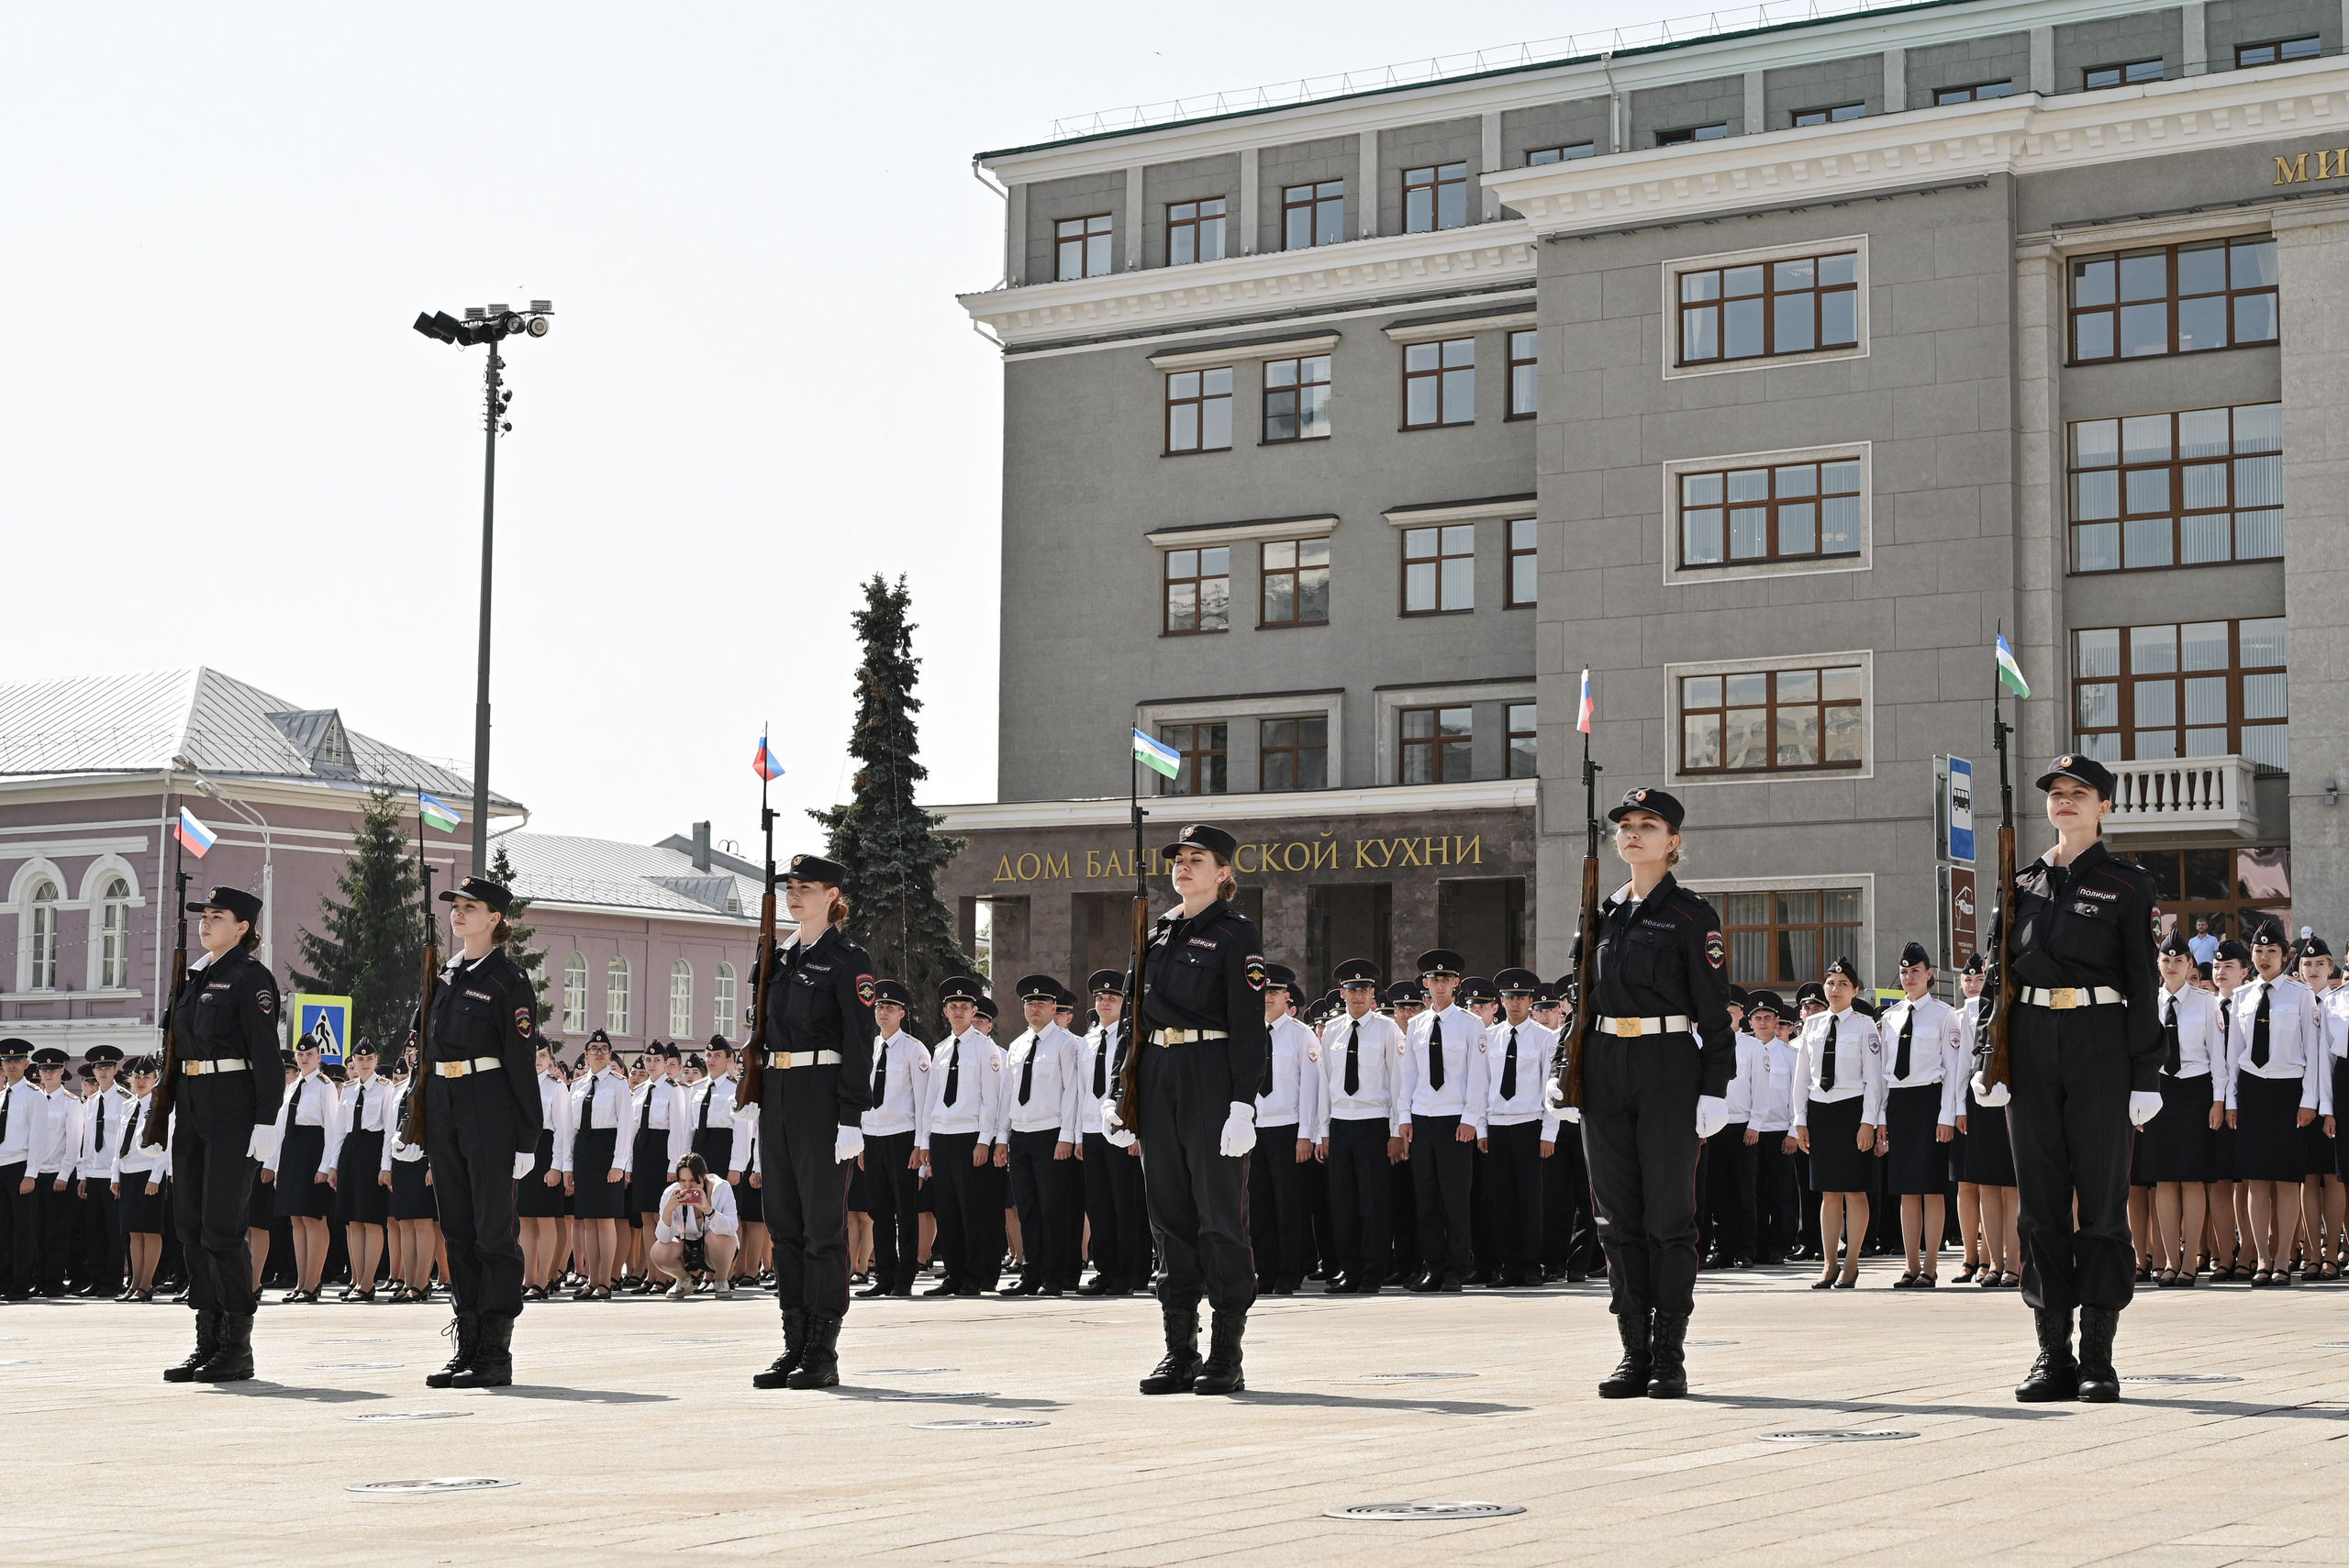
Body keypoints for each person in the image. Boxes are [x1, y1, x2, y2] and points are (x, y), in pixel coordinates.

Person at [1971, 753, 2163, 1403]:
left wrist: (2146, 1071)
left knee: (2103, 1204)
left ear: (2104, 806)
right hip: (2030, 1043)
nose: (2065, 800)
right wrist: (1987, 1057)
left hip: (2099, 1041)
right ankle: (2053, 1354)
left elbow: (2143, 983)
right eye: (2056, 791)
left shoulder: (2128, 885)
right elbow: (1998, 975)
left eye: (2079, 791)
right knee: (2039, 1204)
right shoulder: (2020, 882)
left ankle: (2098, 1358)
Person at [1554, 788, 1734, 1400]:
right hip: (1605, 1066)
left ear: (1672, 841)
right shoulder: (1601, 912)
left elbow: (1714, 1011)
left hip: (1667, 1066)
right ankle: (1633, 1351)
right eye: (1626, 825)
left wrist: (1715, 1087)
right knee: (1615, 1220)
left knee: (1668, 1219)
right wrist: (1565, 1069)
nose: (1633, 833)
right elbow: (1580, 997)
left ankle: (1668, 1356)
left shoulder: (1691, 915)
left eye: (1648, 825)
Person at [1103, 823, 1269, 1396]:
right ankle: (1180, 1351)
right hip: (1157, 1074)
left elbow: (1248, 1025)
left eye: (1197, 858)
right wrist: (1117, 1093)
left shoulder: (1235, 934)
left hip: (1209, 1074)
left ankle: (1225, 1354)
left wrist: (1243, 1103)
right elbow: (1132, 1018)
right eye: (1178, 858)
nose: (1183, 866)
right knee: (1168, 1218)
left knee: (1219, 1218)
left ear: (1223, 872)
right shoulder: (1154, 932)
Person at [747, 853, 877, 1392]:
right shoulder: (778, 956)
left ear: (832, 896)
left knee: (823, 1229)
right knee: (784, 1227)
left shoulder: (848, 960)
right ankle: (794, 1343)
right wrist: (755, 1090)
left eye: (806, 888)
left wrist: (851, 1116)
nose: (795, 896)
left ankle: (822, 1350)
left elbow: (860, 1042)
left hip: (822, 1099)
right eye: (790, 888)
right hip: (778, 1095)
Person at [418, 875, 544, 1391]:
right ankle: (467, 1344)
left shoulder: (508, 981)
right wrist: (415, 1117)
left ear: (495, 918)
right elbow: (425, 1051)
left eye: (470, 907)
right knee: (458, 1231)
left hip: (488, 1106)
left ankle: (495, 1352)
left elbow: (520, 1063)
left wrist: (527, 1136)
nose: (459, 913)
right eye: (456, 905)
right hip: (444, 1104)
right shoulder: (445, 975)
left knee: (494, 1234)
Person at [160, 885, 284, 1384]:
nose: (205, 922)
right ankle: (207, 1340)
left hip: (233, 1108)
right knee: (190, 1226)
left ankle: (237, 1346)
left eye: (217, 916)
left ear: (243, 927)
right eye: (203, 915)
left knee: (222, 1229)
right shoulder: (194, 978)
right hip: (191, 1106)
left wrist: (266, 1120)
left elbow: (266, 1054)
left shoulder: (250, 978)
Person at [2222, 919, 2324, 1286]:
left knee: (2286, 1179)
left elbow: (2313, 1052)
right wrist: (2231, 1101)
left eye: (2271, 951)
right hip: (2252, 1092)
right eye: (2258, 951)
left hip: (2288, 1091)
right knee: (2256, 1179)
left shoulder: (2301, 995)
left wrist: (2309, 1100)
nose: (2264, 957)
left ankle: (2283, 1259)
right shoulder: (2242, 996)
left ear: (2285, 955)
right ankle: (2262, 1260)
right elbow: (2234, 1054)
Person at [1792, 958, 1887, 1290]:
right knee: (1828, 1193)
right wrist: (1800, 1120)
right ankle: (1829, 1263)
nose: (1835, 989)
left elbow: (1874, 1080)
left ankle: (1851, 1263)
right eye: (1830, 983)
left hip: (1852, 1111)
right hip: (1820, 1112)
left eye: (1843, 984)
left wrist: (1868, 1122)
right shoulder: (1813, 1025)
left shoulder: (1864, 1026)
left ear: (1855, 990)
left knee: (1855, 1191)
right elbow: (1802, 1077)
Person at [2137, 931, 2223, 1286]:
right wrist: (2136, 1102)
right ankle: (2169, 1261)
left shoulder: (2206, 1002)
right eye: (2166, 960)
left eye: (2178, 960)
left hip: (2196, 1092)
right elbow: (2137, 1056)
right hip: (2159, 1092)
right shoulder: (2146, 1003)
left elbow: (2218, 1057)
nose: (2172, 966)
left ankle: (2190, 1262)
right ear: (2157, 964)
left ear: (2190, 964)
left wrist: (2219, 1100)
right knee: (2164, 1180)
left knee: (2192, 1179)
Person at [1876, 943, 1965, 1287]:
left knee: (1931, 1188)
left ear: (1929, 974)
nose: (1909, 977)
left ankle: (1930, 1266)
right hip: (1899, 1103)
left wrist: (1947, 1116)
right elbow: (1884, 1073)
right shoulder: (1890, 1017)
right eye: (1904, 972)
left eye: (1915, 971)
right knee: (1906, 1189)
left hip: (1930, 1102)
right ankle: (1910, 1265)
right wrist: (1882, 1117)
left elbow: (1953, 1070)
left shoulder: (1945, 1015)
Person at [1399, 950, 1487, 1293]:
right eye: (1434, 979)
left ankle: (1456, 1269)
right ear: (1425, 984)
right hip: (1423, 1118)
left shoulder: (1470, 1024)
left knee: (1455, 1198)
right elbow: (1409, 1075)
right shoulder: (1417, 1025)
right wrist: (1405, 1117)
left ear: (1456, 984)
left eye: (1445, 979)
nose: (1439, 985)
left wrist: (1470, 1119)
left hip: (1455, 1120)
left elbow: (1478, 1076)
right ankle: (1432, 1267)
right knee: (1426, 1198)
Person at [1314, 962, 1404, 1294]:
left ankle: (1371, 1273)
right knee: (1343, 1202)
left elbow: (1397, 1082)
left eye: (1364, 989)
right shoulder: (1332, 1030)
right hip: (1340, 1124)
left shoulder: (1387, 1029)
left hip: (1374, 1122)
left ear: (1373, 993)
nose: (1358, 996)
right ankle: (1349, 1270)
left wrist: (1396, 1130)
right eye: (1352, 990)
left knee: (1373, 1203)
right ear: (1342, 993)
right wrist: (1323, 1132)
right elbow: (1325, 1084)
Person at [918, 977, 1007, 1297]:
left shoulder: (985, 1048)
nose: (958, 1011)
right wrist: (925, 1142)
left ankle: (974, 1275)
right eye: (953, 1006)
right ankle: (953, 1274)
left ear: (973, 1011)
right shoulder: (941, 1050)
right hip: (942, 1135)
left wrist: (984, 1140)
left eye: (964, 1006)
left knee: (973, 1210)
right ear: (945, 1012)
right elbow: (931, 1098)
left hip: (970, 1136)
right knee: (947, 1210)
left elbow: (991, 1099)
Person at [998, 973, 1086, 1296]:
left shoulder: (1066, 1043)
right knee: (1028, 1210)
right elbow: (1008, 1094)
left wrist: (1067, 1135)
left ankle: (1055, 1276)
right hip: (1021, 1134)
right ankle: (1030, 1273)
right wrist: (1002, 1137)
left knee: (1053, 1209)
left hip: (1051, 1134)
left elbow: (1072, 1092)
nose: (1034, 1008)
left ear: (1053, 1007)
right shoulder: (1018, 1045)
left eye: (1041, 1003)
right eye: (1029, 1003)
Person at [1246, 964, 1322, 1296]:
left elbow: (1310, 1088)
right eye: (1263, 991)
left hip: (1288, 1129)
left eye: (1275, 992)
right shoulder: (1247, 1031)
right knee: (1260, 1205)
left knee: (1289, 1206)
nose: (1268, 997)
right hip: (1255, 1129)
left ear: (1287, 996)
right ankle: (1265, 1270)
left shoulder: (1301, 1034)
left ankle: (1289, 1273)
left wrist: (1306, 1134)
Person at [1481, 969, 1558, 1287]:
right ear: (1501, 1001)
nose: (1515, 1003)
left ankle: (1529, 1265)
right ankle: (1508, 1266)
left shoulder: (1544, 1038)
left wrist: (1548, 1133)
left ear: (1530, 1001)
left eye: (1521, 998)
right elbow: (1482, 1085)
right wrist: (1482, 1128)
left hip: (1529, 1124)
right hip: (1498, 1124)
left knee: (1529, 1198)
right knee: (1501, 1199)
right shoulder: (1490, 1037)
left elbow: (1550, 1090)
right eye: (1510, 997)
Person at [856, 981, 930, 1297]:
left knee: (905, 1210)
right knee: (879, 1211)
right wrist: (861, 1140)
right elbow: (862, 1097)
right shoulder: (869, 1048)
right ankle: (884, 1275)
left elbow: (923, 1101)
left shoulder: (914, 1049)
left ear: (902, 1013)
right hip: (873, 1137)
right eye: (879, 1007)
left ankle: (905, 1277)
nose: (883, 1012)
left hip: (902, 1138)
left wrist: (920, 1145)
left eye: (890, 1007)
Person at [1078, 970, 1148, 1296]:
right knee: (1100, 1206)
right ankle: (1105, 1271)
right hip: (1092, 1130)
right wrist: (1078, 1134)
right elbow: (1080, 1090)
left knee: (1127, 1206)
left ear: (1125, 1002)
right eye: (1100, 998)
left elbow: (1139, 1085)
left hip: (1122, 1133)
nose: (1105, 1003)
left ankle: (1131, 1273)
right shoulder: (1087, 1041)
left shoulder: (1133, 1036)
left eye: (1113, 998)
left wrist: (1138, 1133)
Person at [570, 1031, 630, 1298]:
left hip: (608, 1151)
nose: (598, 1053)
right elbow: (569, 1129)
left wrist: (619, 1163)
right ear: (586, 1054)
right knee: (588, 1220)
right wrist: (568, 1165)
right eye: (593, 1049)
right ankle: (592, 1279)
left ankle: (606, 1280)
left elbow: (626, 1127)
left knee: (605, 1219)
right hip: (584, 1152)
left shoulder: (619, 1084)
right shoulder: (577, 1086)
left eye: (603, 1048)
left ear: (610, 1054)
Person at [71, 1045, 135, 1297]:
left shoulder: (124, 1100)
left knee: (114, 1231)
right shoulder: (90, 1103)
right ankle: (95, 1279)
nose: (103, 1072)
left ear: (116, 1070)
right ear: (94, 1072)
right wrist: (83, 1175)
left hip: (112, 1175)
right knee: (94, 1230)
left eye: (107, 1068)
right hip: (94, 1174)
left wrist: (117, 1176)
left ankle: (112, 1281)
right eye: (99, 1068)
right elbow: (86, 1142)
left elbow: (123, 1143)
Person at [627, 1047, 691, 1291]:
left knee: (661, 1215)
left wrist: (675, 1163)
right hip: (643, 1153)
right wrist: (629, 1164)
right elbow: (632, 1130)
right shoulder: (640, 1091)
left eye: (656, 1060)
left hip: (662, 1153)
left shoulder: (674, 1090)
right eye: (648, 1060)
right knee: (646, 1216)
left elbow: (678, 1129)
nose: (651, 1064)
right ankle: (651, 1274)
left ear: (666, 1063)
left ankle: (666, 1274)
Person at [378, 1052, 439, 1303]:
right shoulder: (398, 1089)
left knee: (422, 1223)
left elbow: (438, 1128)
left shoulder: (433, 1085)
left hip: (423, 1160)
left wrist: (434, 1165)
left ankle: (422, 1282)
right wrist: (386, 1166)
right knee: (404, 1224)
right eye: (410, 1053)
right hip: (401, 1161)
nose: (414, 1057)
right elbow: (389, 1130)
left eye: (418, 1053)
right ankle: (408, 1281)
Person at [516, 1042, 573, 1300]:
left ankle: (544, 1279)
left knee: (546, 1219)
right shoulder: (518, 1084)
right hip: (522, 1152)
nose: (537, 1060)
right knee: (526, 1219)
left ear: (551, 1060)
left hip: (546, 1151)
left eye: (543, 1055)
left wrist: (556, 1166)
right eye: (533, 1055)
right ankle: (528, 1278)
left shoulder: (556, 1087)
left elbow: (563, 1130)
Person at [108, 1056, 170, 1301]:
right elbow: (118, 1144)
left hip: (148, 1172)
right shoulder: (127, 1106)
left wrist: (155, 1177)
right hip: (128, 1172)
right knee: (134, 1231)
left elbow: (164, 1145)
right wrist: (115, 1175)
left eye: (147, 1077)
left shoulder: (160, 1105)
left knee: (150, 1230)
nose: (141, 1081)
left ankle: (146, 1284)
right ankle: (134, 1283)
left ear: (156, 1080)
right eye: (137, 1077)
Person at [1744, 994, 1798, 1266]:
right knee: (1754, 1192)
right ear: (1750, 1023)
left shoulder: (1790, 1055)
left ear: (1777, 1021)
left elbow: (1797, 1096)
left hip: (1779, 1131)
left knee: (1780, 1191)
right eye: (1758, 1018)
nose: (1763, 1023)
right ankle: (1757, 1244)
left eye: (1768, 1018)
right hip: (1751, 1131)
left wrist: (1793, 1132)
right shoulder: (1744, 1051)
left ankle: (1779, 1246)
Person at [651, 1151, 739, 1297]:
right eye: (682, 1181)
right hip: (684, 1246)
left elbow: (732, 1227)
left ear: (703, 1176)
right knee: (658, 1250)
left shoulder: (722, 1187)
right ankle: (683, 1280)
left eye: (693, 1180)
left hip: (716, 1249)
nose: (687, 1186)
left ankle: (721, 1280)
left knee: (719, 1236)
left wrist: (709, 1211)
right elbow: (663, 1238)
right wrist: (668, 1211)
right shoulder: (670, 1193)